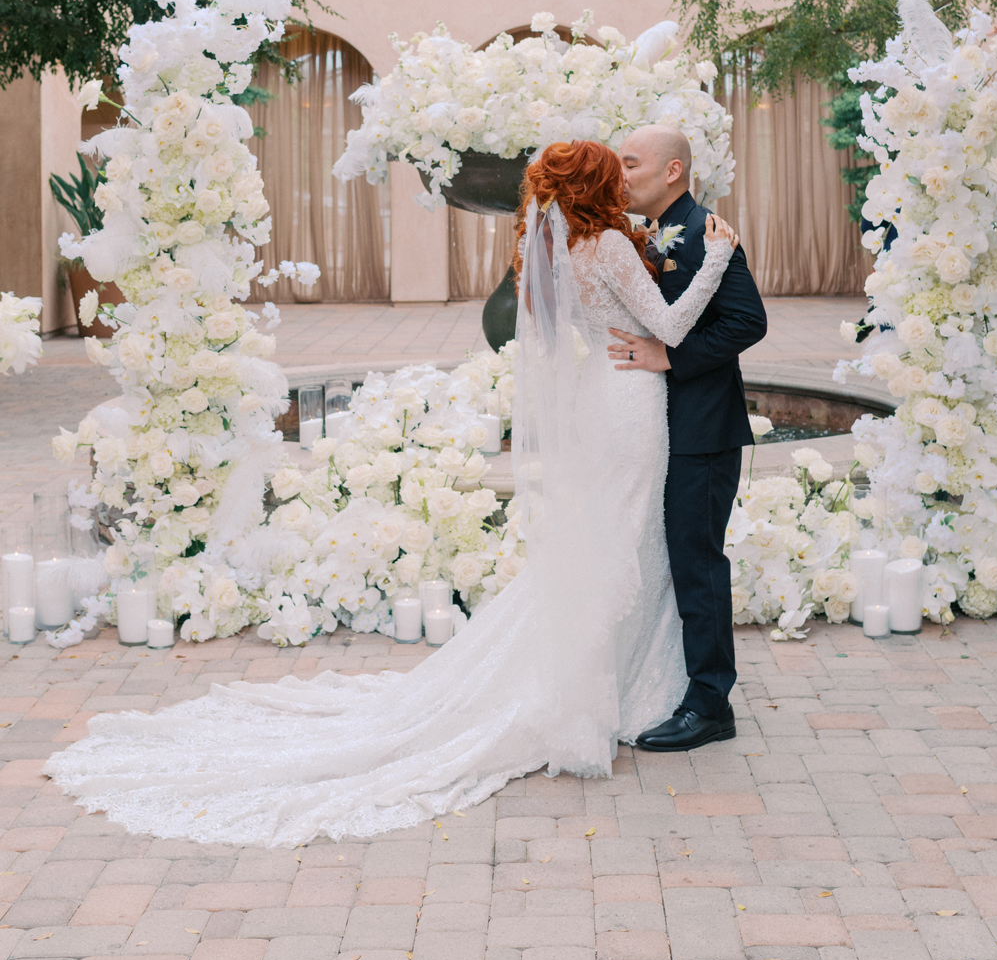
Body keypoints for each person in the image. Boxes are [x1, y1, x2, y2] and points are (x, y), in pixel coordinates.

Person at [45, 140, 739, 848]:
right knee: (625, 536)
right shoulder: (614, 249)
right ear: (596, 186)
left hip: (603, 397)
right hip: (631, 402)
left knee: (613, 537)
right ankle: (618, 689)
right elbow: (672, 326)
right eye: (614, 168)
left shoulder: (564, 253)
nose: (626, 176)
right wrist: (713, 257)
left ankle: (625, 680)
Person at [609, 126, 767, 751]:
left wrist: (671, 358)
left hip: (702, 430)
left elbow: (747, 321)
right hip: (656, 429)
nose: (621, 177)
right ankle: (668, 683)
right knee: (669, 559)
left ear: (673, 171)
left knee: (697, 564)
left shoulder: (706, 234)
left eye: (631, 164)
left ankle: (709, 704)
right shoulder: (644, 235)